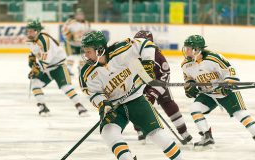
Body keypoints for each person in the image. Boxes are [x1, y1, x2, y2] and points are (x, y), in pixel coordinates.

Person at [79, 31, 182, 160]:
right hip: (114, 107)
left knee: (157, 134)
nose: (86, 55)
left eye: (88, 51)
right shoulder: (87, 73)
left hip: (136, 99)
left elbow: (147, 44)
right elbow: (93, 93)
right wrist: (103, 104)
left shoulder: (122, 50)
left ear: (100, 50)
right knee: (108, 133)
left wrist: (148, 63)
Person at [181, 35, 255, 151]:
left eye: (189, 48)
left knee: (240, 114)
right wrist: (190, 86)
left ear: (197, 49)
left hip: (225, 92)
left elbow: (230, 71)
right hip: (208, 94)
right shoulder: (185, 64)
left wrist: (228, 83)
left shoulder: (214, 58)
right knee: (194, 108)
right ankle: (207, 137)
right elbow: (188, 78)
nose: (186, 51)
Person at [133, 30, 192, 144]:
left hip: (157, 82)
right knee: (135, 105)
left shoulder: (157, 56)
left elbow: (165, 75)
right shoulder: (131, 54)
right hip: (139, 84)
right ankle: (140, 130)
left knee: (169, 105)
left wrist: (153, 93)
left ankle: (184, 132)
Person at [26, 19, 88, 117]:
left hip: (58, 67)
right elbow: (34, 54)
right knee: (35, 83)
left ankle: (80, 106)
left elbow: (46, 60)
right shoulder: (31, 40)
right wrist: (32, 62)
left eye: (31, 30)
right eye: (28, 30)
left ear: (37, 31)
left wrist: (36, 69)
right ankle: (42, 106)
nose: (28, 32)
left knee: (66, 87)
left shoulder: (45, 40)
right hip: (46, 69)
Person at [62, 8, 90, 74]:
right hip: (71, 43)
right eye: (78, 15)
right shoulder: (70, 22)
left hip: (82, 44)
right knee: (71, 56)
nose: (80, 16)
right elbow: (64, 30)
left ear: (83, 16)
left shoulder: (87, 23)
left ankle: (81, 69)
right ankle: (68, 68)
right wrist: (69, 35)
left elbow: (88, 33)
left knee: (83, 56)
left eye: (81, 15)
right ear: (75, 15)